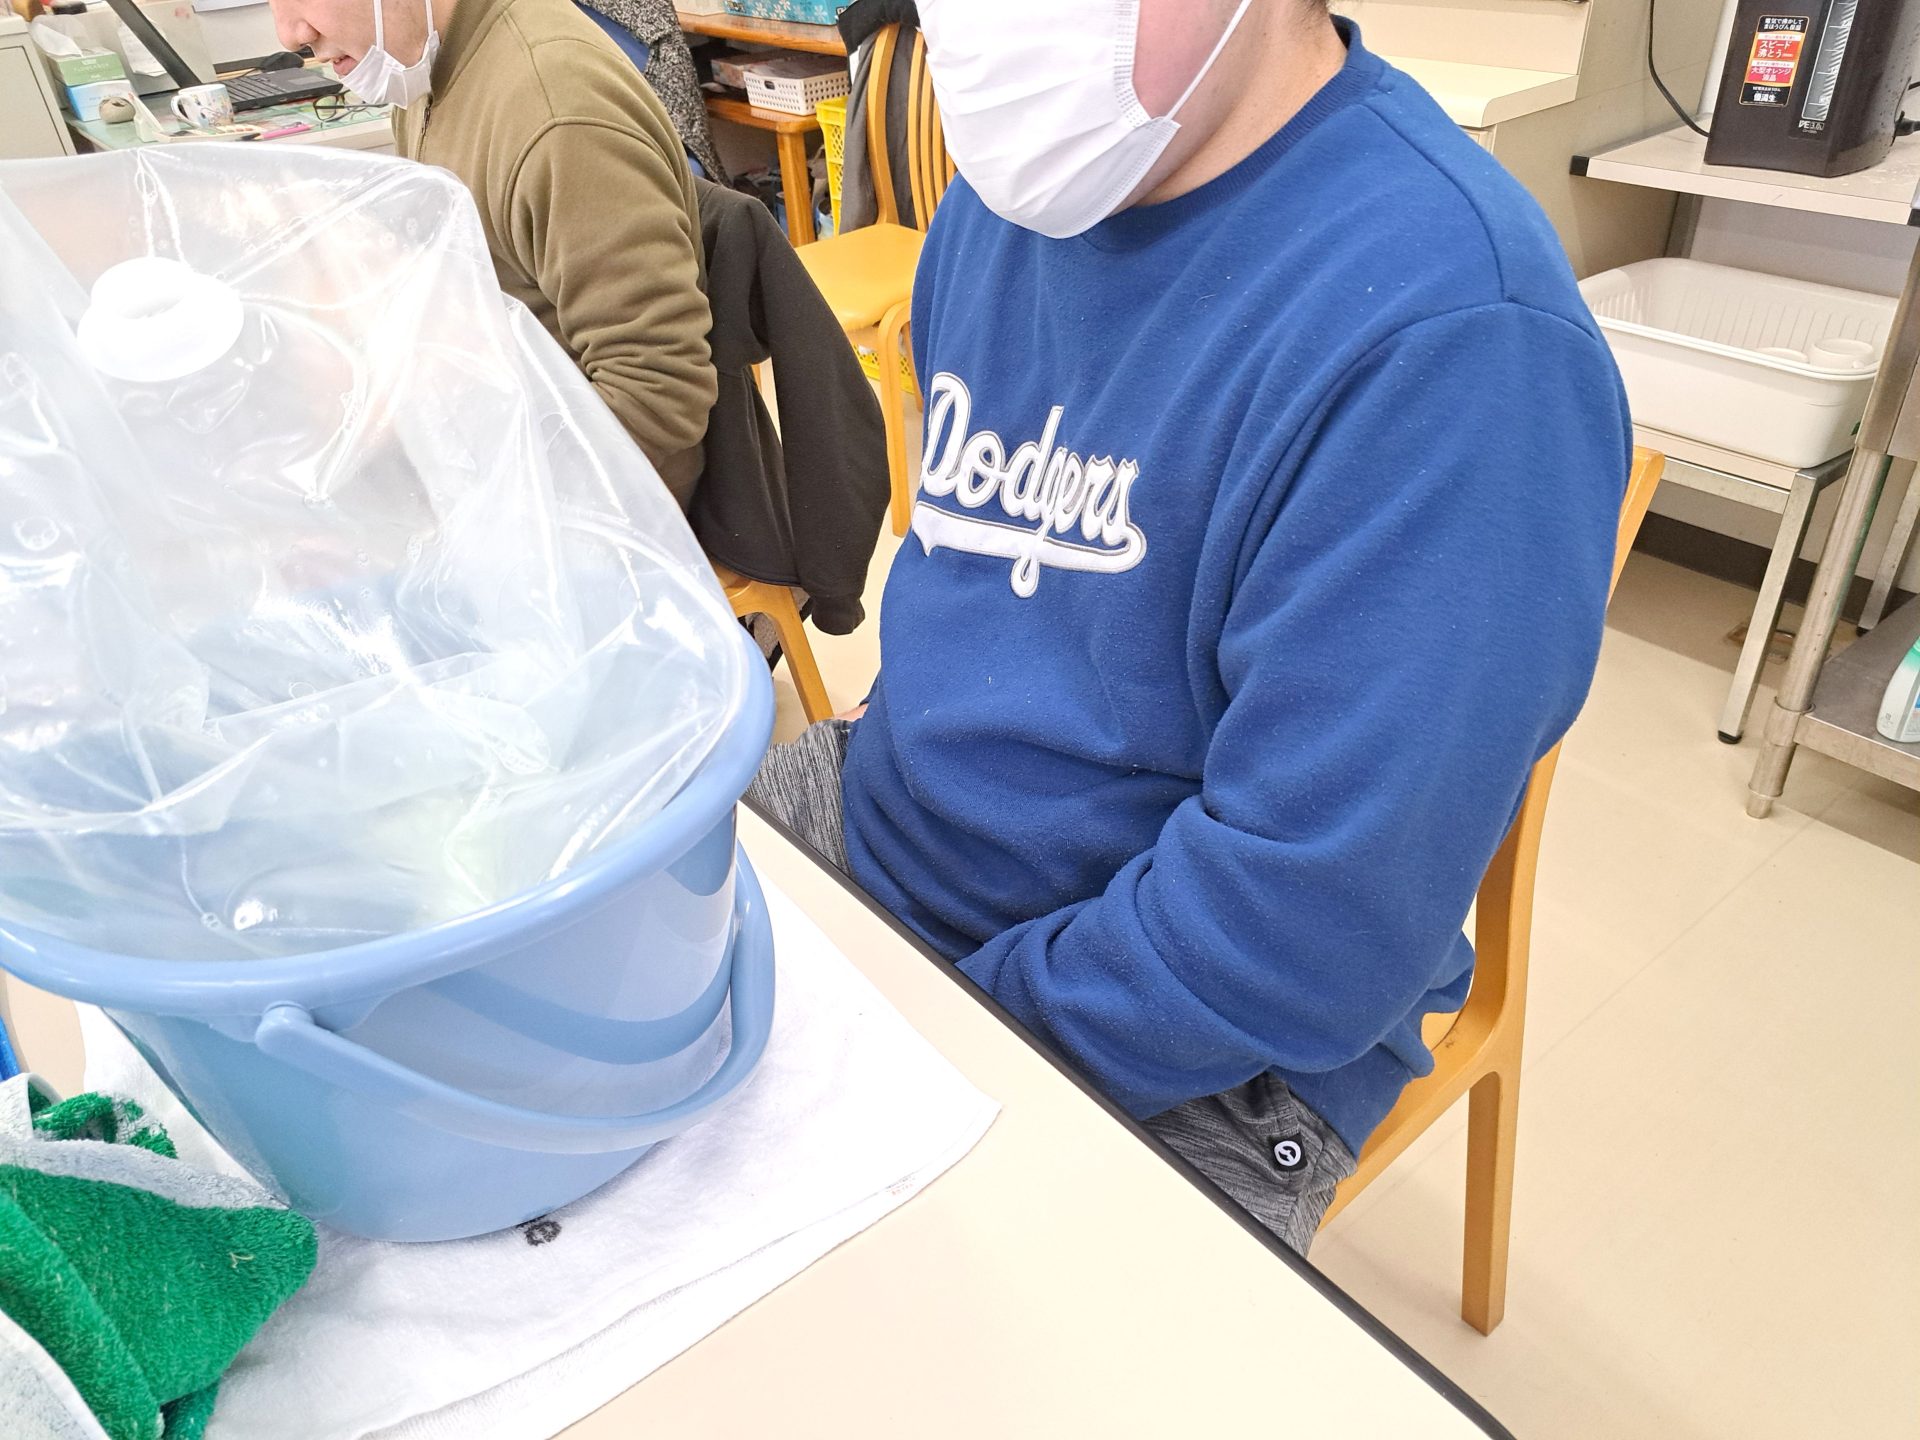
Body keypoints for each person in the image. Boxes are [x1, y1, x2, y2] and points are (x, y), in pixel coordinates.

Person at [750, 0, 1630, 1256]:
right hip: (897, 826)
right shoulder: (1016, 198)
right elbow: (976, 584)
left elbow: (1304, 929)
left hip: (1196, 1030)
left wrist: (933, 1050)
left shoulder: (1458, 345)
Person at [267, 0, 716, 505]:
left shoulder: (555, 109)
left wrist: (485, 505)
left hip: (586, 502)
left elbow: (657, 390)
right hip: (492, 442)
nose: (290, 35)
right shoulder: (424, 66)